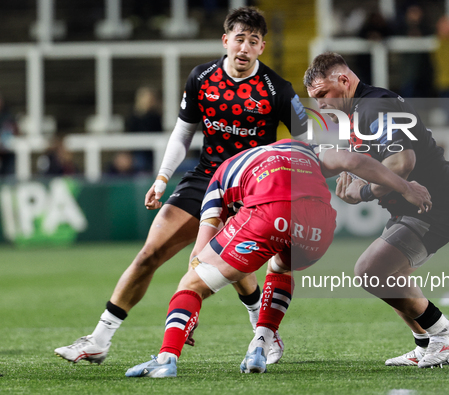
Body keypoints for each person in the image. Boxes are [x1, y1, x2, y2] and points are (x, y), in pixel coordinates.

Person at [55, 6, 308, 366]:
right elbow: (183, 132)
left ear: (261, 47)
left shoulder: (277, 89)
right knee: (149, 254)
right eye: (239, 39)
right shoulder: (202, 77)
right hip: (205, 178)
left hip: (250, 187)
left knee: (232, 268)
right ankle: (99, 339)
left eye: (253, 42)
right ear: (226, 40)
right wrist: (161, 177)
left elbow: (308, 139)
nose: (245, 48)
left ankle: (264, 334)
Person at [124, 139, 432, 377]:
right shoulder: (302, 149)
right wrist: (405, 187)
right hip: (320, 223)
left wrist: (198, 290)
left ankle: (166, 358)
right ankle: (260, 344)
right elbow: (353, 160)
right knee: (280, 265)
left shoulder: (218, 177)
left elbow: (200, 251)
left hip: (268, 211)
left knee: (191, 283)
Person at [304, 52, 449, 369]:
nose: (321, 104)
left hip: (435, 204)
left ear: (344, 80)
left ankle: (443, 331)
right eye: (315, 99)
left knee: (369, 272)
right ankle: (424, 344)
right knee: (392, 276)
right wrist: (356, 179)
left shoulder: (373, 107)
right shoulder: (361, 110)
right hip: (418, 206)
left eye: (323, 94)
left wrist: (364, 191)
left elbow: (401, 163)